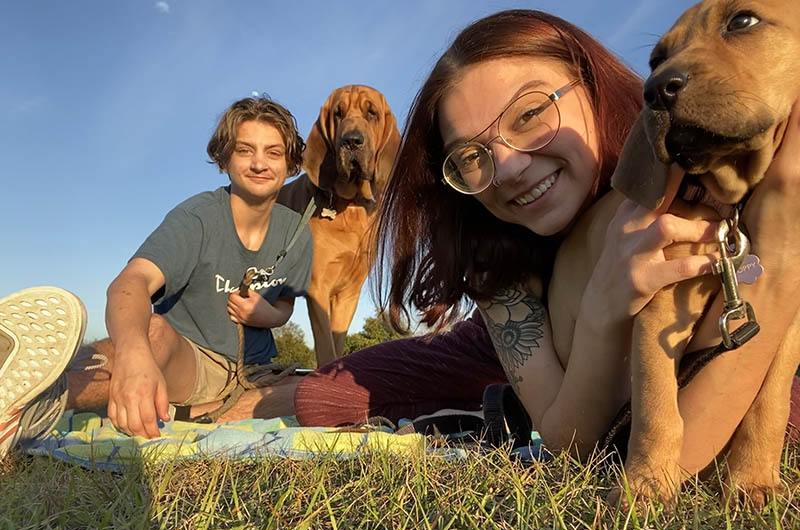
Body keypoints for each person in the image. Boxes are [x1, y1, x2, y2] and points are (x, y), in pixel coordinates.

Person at [293, 9, 800, 473]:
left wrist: (777, 249)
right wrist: (602, 307)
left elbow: (683, 453)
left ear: (593, 84)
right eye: (471, 155)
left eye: (530, 114)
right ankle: (510, 400)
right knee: (322, 400)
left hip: (693, 335)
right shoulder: (489, 243)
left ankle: (518, 405)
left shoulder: (690, 158)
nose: (509, 168)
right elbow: (568, 447)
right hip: (519, 333)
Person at [0, 95, 313, 453]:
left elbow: (286, 303)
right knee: (150, 333)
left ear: (290, 164)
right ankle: (30, 402)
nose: (259, 163)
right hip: (190, 363)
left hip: (256, 373)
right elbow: (130, 284)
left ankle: (193, 414)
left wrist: (265, 315)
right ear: (224, 158)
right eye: (245, 150)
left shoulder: (298, 232)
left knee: (321, 389)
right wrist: (134, 360)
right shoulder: (197, 217)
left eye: (273, 153)